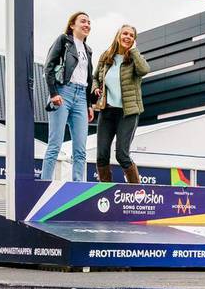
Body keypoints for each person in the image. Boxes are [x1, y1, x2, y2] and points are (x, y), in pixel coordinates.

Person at [40, 11, 96, 181]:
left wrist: (89, 105)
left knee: (80, 149)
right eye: (83, 21)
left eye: (89, 22)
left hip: (81, 96)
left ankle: (78, 185)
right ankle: (45, 184)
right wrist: (53, 93)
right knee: (54, 144)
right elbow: (49, 67)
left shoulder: (88, 49)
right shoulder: (64, 40)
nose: (87, 25)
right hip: (63, 92)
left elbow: (88, 77)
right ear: (73, 25)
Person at [91, 24, 150, 183]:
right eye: (125, 33)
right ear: (118, 35)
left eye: (131, 35)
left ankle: (137, 191)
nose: (128, 37)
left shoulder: (134, 59)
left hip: (128, 113)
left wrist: (134, 51)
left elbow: (145, 70)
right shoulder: (106, 57)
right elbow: (95, 77)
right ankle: (105, 191)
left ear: (134, 40)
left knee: (122, 155)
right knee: (101, 155)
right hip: (107, 112)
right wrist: (96, 88)